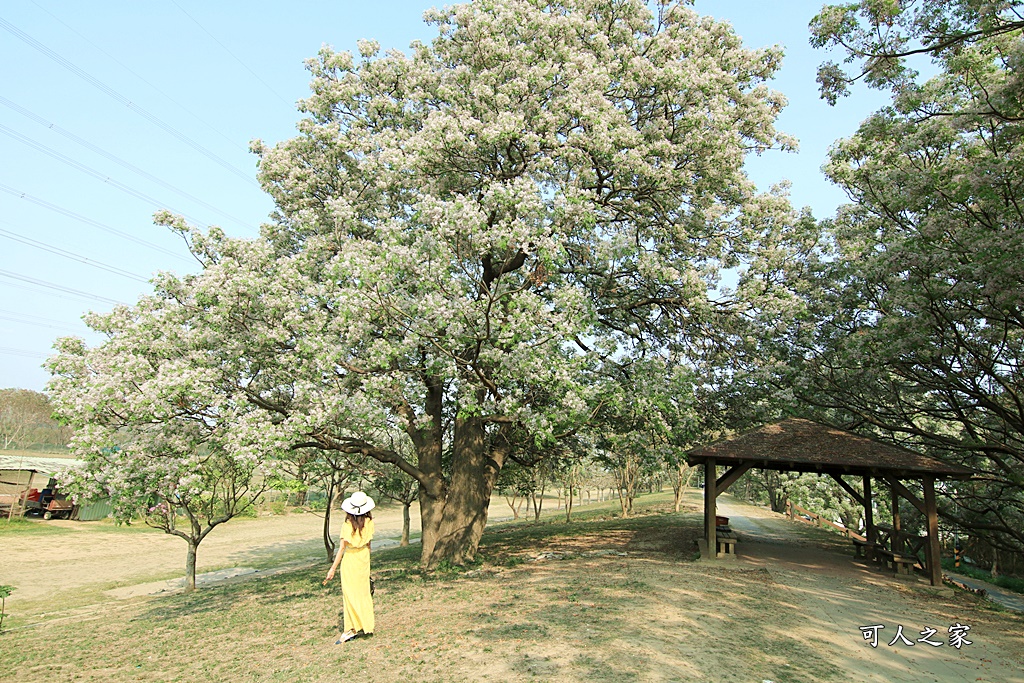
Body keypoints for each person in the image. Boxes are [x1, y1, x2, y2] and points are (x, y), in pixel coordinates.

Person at [324, 491, 375, 643]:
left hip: (351, 559)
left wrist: (332, 568)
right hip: (363, 558)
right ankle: (365, 625)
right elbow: (368, 545)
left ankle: (351, 628)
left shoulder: (347, 526)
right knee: (363, 593)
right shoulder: (370, 523)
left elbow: (341, 549)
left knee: (350, 595)